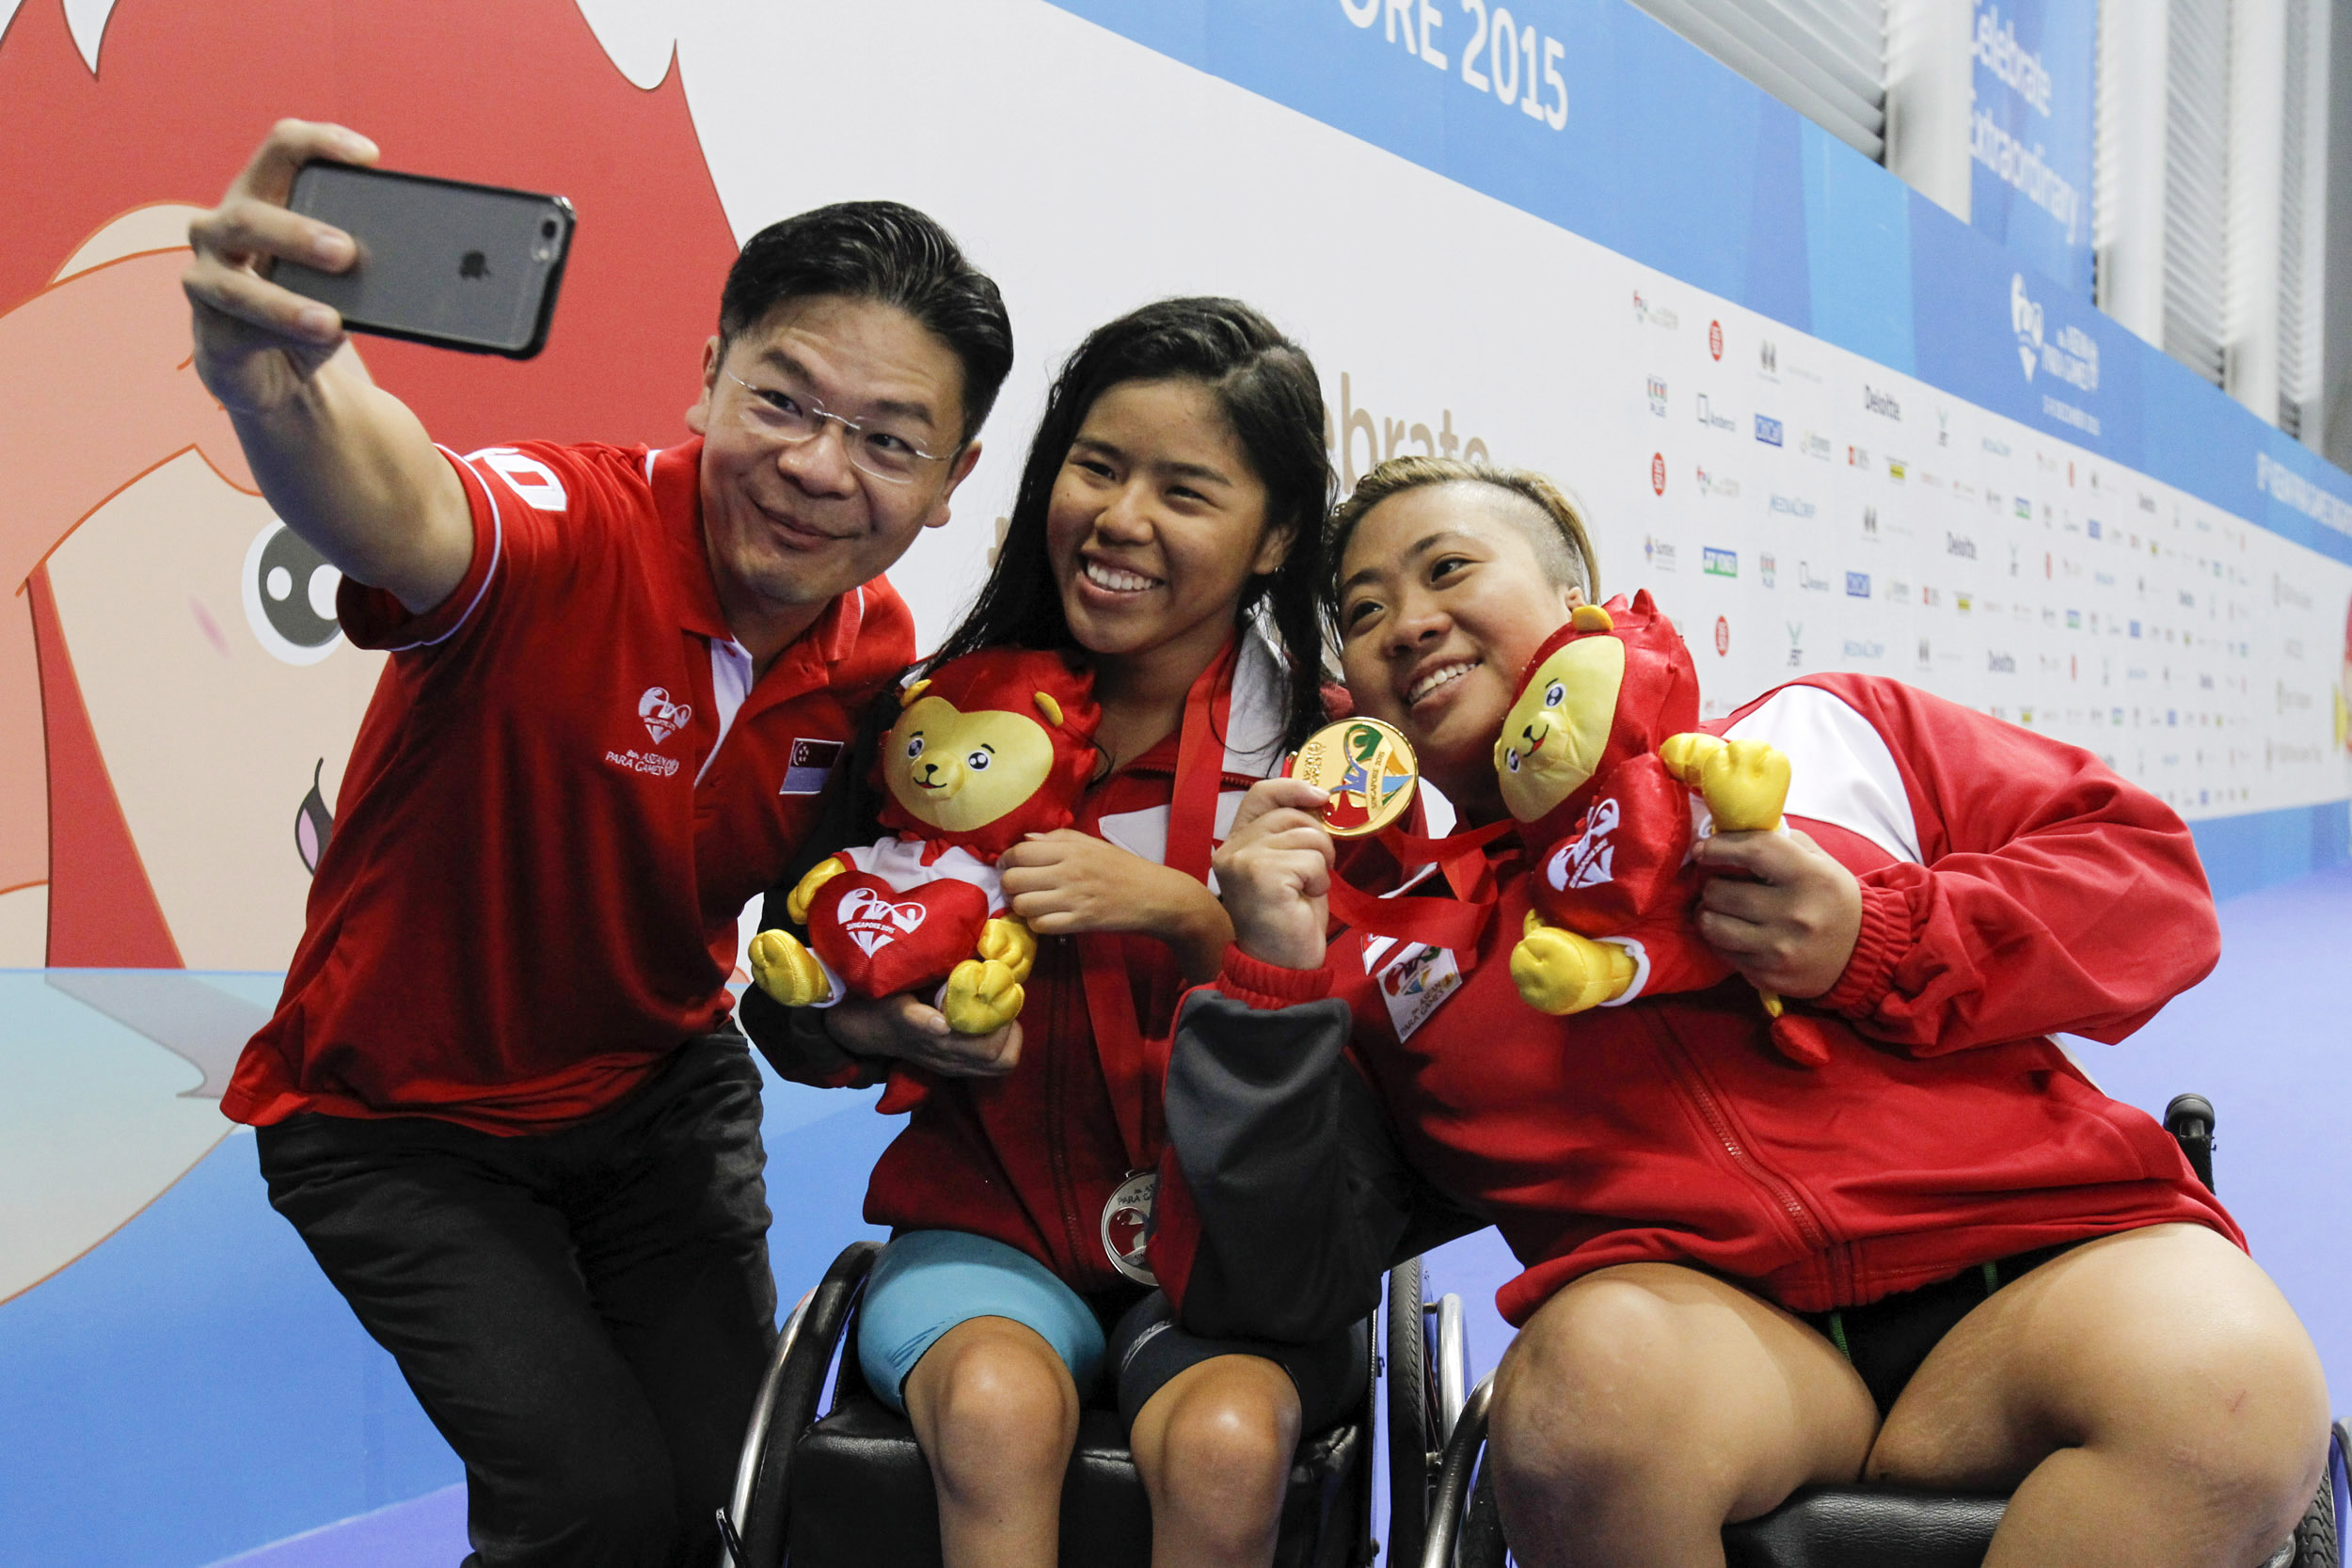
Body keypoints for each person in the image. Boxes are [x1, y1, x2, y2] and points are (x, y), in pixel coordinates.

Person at [1163, 455, 2331, 1568]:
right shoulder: (1372, 940)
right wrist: (1267, 981)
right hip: (1708, 1340)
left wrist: (1881, 936)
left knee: (2234, 1394)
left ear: (1571, 592)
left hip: (2039, 1271)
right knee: (1584, 1407)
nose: (1407, 621)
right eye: (1363, 611)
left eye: (1448, 569)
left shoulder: (1815, 737)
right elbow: (1281, 1278)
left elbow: (2149, 883)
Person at [183, 120, 1012, 1568]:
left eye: (888, 440)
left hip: (653, 1111)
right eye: (785, 401)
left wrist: (877, 1017)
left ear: (951, 478)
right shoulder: (567, 532)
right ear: (707, 376)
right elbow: (409, 508)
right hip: (395, 1128)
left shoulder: (875, 653)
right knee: (588, 1511)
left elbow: (802, 967)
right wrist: (275, 386)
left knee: (738, 1508)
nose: (822, 468)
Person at [742, 298, 1358, 1568]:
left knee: (1234, 1444)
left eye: (1186, 490)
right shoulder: (930, 728)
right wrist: (856, 1021)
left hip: (1227, 1259)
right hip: (987, 1227)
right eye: (1097, 465)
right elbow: (787, 997)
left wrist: (1195, 922)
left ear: (1275, 534)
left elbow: (1372, 1058)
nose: (1122, 518)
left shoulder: (1328, 765)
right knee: (993, 1410)